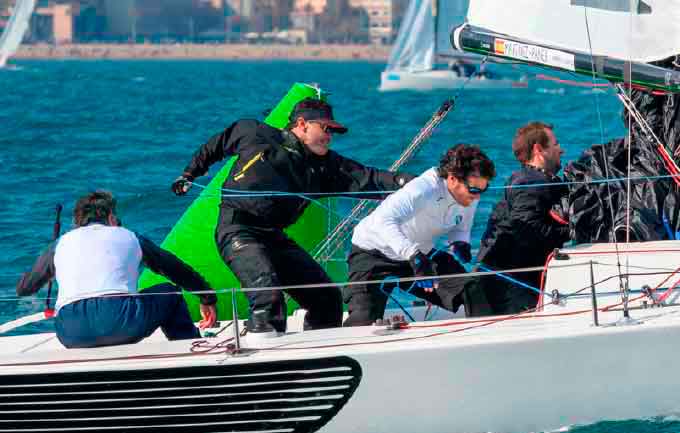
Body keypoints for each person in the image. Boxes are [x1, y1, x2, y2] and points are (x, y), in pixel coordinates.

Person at [171, 98, 413, 333]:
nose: (330, 136)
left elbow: (370, 179)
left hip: (274, 238)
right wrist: (189, 174)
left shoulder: (327, 166)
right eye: (325, 128)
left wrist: (414, 183)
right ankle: (262, 355)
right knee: (268, 296)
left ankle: (317, 357)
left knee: (326, 298)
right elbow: (216, 145)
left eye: (333, 132)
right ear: (302, 124)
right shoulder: (255, 132)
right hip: (237, 229)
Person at [16, 191, 217, 348]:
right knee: (170, 291)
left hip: (70, 331)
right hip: (122, 322)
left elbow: (24, 289)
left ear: (78, 222)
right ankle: (188, 347)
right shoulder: (129, 236)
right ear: (111, 217)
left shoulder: (59, 244)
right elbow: (174, 269)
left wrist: (48, 270)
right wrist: (207, 297)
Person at [344, 144, 496, 326]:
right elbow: (383, 222)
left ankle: (479, 338)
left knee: (472, 288)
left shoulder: (469, 197)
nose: (478, 197)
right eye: (474, 190)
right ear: (453, 178)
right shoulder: (423, 188)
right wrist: (415, 257)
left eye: (482, 190)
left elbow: (461, 227)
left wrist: (460, 242)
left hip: (418, 255)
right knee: (363, 319)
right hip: (373, 253)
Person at [466, 122, 570, 316]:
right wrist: (573, 231)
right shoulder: (529, 183)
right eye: (555, 144)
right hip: (508, 286)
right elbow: (527, 229)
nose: (561, 150)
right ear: (539, 149)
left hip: (511, 279)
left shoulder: (528, 178)